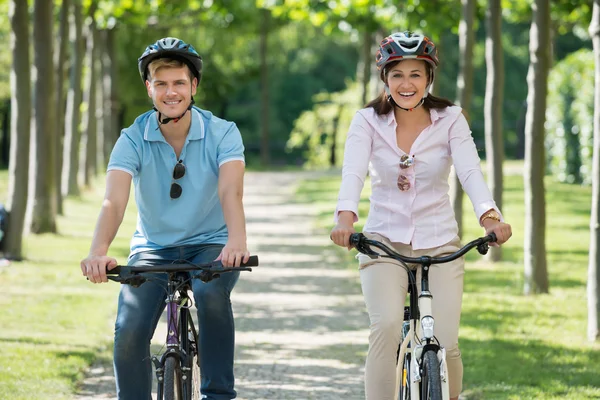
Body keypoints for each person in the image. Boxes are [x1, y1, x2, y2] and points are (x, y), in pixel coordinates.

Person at [330, 31, 512, 400]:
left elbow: (470, 171)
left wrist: (489, 216)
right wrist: (345, 220)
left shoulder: (451, 119)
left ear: (429, 78)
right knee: (385, 328)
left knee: (446, 340)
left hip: (440, 240)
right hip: (383, 241)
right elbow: (353, 173)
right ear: (385, 79)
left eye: (416, 74)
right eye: (397, 74)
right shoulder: (366, 121)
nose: (406, 83)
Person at [80, 37, 250, 400]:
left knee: (211, 294)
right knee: (129, 328)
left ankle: (218, 395)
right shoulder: (132, 138)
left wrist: (236, 242)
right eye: (161, 83)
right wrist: (99, 251)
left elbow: (229, 192)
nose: (170, 92)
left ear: (193, 86)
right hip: (154, 248)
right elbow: (114, 200)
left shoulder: (223, 132)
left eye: (178, 83)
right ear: (149, 88)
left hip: (211, 244)